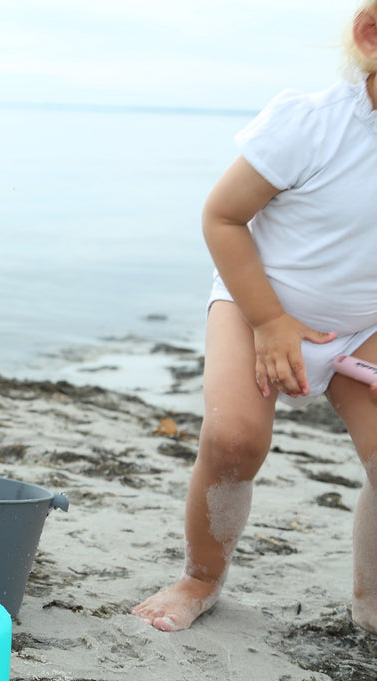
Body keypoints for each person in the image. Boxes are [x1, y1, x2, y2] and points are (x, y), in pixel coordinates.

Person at [133, 3, 377, 634]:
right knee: (234, 441)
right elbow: (222, 217)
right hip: (257, 304)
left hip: (363, 325)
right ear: (372, 36)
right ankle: (201, 577)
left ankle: (371, 601)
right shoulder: (312, 125)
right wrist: (269, 321)